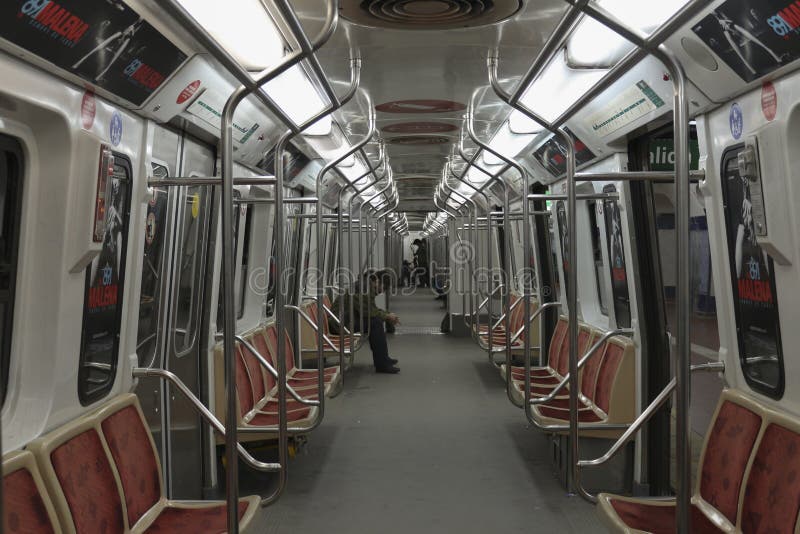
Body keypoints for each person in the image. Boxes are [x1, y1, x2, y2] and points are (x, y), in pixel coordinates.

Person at [331, 270, 401, 374]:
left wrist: (387, 315)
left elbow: (371, 309)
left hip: (345, 319)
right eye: (384, 288)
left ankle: (383, 359)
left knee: (375, 321)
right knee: (375, 323)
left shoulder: (364, 285)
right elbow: (368, 311)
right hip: (339, 324)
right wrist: (387, 316)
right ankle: (382, 363)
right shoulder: (364, 288)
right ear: (378, 281)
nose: (382, 292)